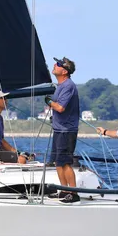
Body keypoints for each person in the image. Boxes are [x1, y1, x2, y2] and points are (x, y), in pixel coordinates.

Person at [44, 56, 80, 203]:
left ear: (64, 71)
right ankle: (64, 191)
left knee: (65, 162)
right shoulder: (60, 86)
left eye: (58, 64)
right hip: (59, 129)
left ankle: (74, 192)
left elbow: (60, 107)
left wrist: (50, 102)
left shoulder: (68, 86)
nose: (55, 65)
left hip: (67, 130)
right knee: (58, 163)